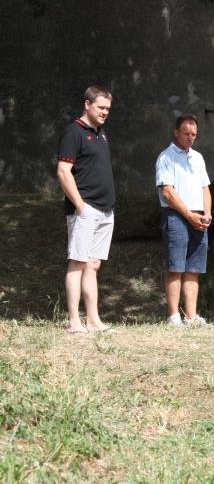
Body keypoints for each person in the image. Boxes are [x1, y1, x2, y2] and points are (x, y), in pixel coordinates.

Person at [56, 85, 116, 335]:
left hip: (106, 210)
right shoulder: (74, 133)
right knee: (77, 263)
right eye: (101, 107)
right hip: (85, 209)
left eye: (108, 109)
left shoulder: (101, 134)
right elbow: (63, 171)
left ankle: (93, 320)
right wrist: (80, 205)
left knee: (92, 265)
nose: (105, 113)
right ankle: (74, 322)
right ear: (87, 104)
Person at [155, 114, 212, 328]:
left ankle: (191, 315)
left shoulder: (197, 158)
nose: (190, 137)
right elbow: (167, 193)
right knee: (175, 267)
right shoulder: (166, 157)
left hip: (198, 217)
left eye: (194, 134)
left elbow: (205, 188)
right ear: (176, 132)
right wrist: (189, 215)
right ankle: (173, 316)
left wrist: (207, 214)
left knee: (193, 268)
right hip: (177, 216)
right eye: (186, 133)